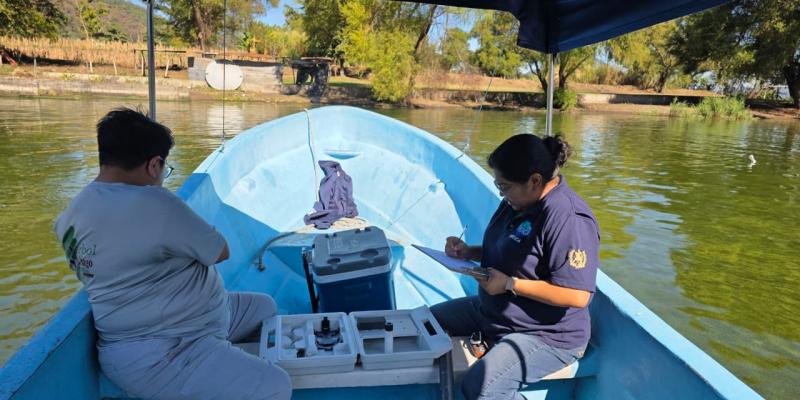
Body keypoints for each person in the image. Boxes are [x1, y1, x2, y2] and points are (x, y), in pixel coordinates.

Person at [54, 108, 292, 400]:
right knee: (276, 385)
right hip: (166, 350)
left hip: (185, 324)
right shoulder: (155, 203)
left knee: (263, 308)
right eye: (164, 170)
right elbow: (220, 251)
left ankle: (222, 368)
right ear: (154, 165)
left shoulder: (70, 216)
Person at [433, 134, 600, 400]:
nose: (501, 193)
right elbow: (510, 247)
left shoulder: (568, 219)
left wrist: (510, 284)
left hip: (545, 335)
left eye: (505, 187)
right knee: (427, 323)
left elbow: (578, 295)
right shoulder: (517, 200)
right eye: (498, 186)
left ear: (534, 181)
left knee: (482, 387)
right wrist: (468, 252)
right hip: (494, 313)